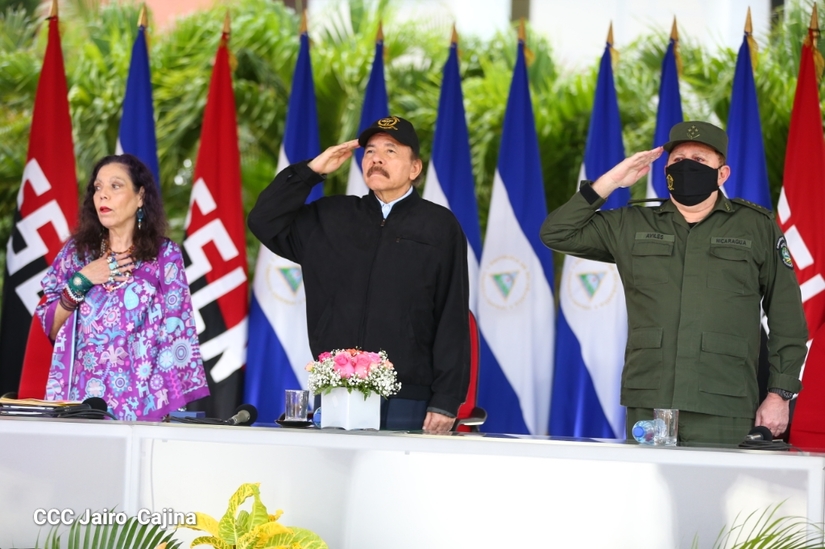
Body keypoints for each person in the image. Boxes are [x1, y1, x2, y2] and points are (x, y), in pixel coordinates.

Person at [540, 121, 808, 447]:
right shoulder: (631, 224)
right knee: (650, 482)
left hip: (724, 401)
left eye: (699, 159)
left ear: (722, 174)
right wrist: (610, 182)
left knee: (717, 482)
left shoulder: (757, 227)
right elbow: (556, 233)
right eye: (678, 160)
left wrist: (779, 394)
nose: (686, 167)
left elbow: (786, 317)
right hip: (651, 400)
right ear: (665, 170)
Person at [248, 116, 470, 433]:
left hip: (408, 396)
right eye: (370, 151)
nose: (376, 158)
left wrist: (446, 400)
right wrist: (312, 171)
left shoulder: (439, 226)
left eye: (390, 151)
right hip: (336, 390)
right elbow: (264, 220)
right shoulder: (330, 217)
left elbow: (452, 315)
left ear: (415, 168)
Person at [36, 154, 209, 420]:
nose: (103, 195)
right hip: (81, 403)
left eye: (115, 186)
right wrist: (82, 281)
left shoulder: (164, 255)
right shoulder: (77, 254)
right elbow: (50, 326)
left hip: (144, 404)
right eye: (98, 187)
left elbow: (178, 333)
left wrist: (164, 410)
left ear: (140, 196)